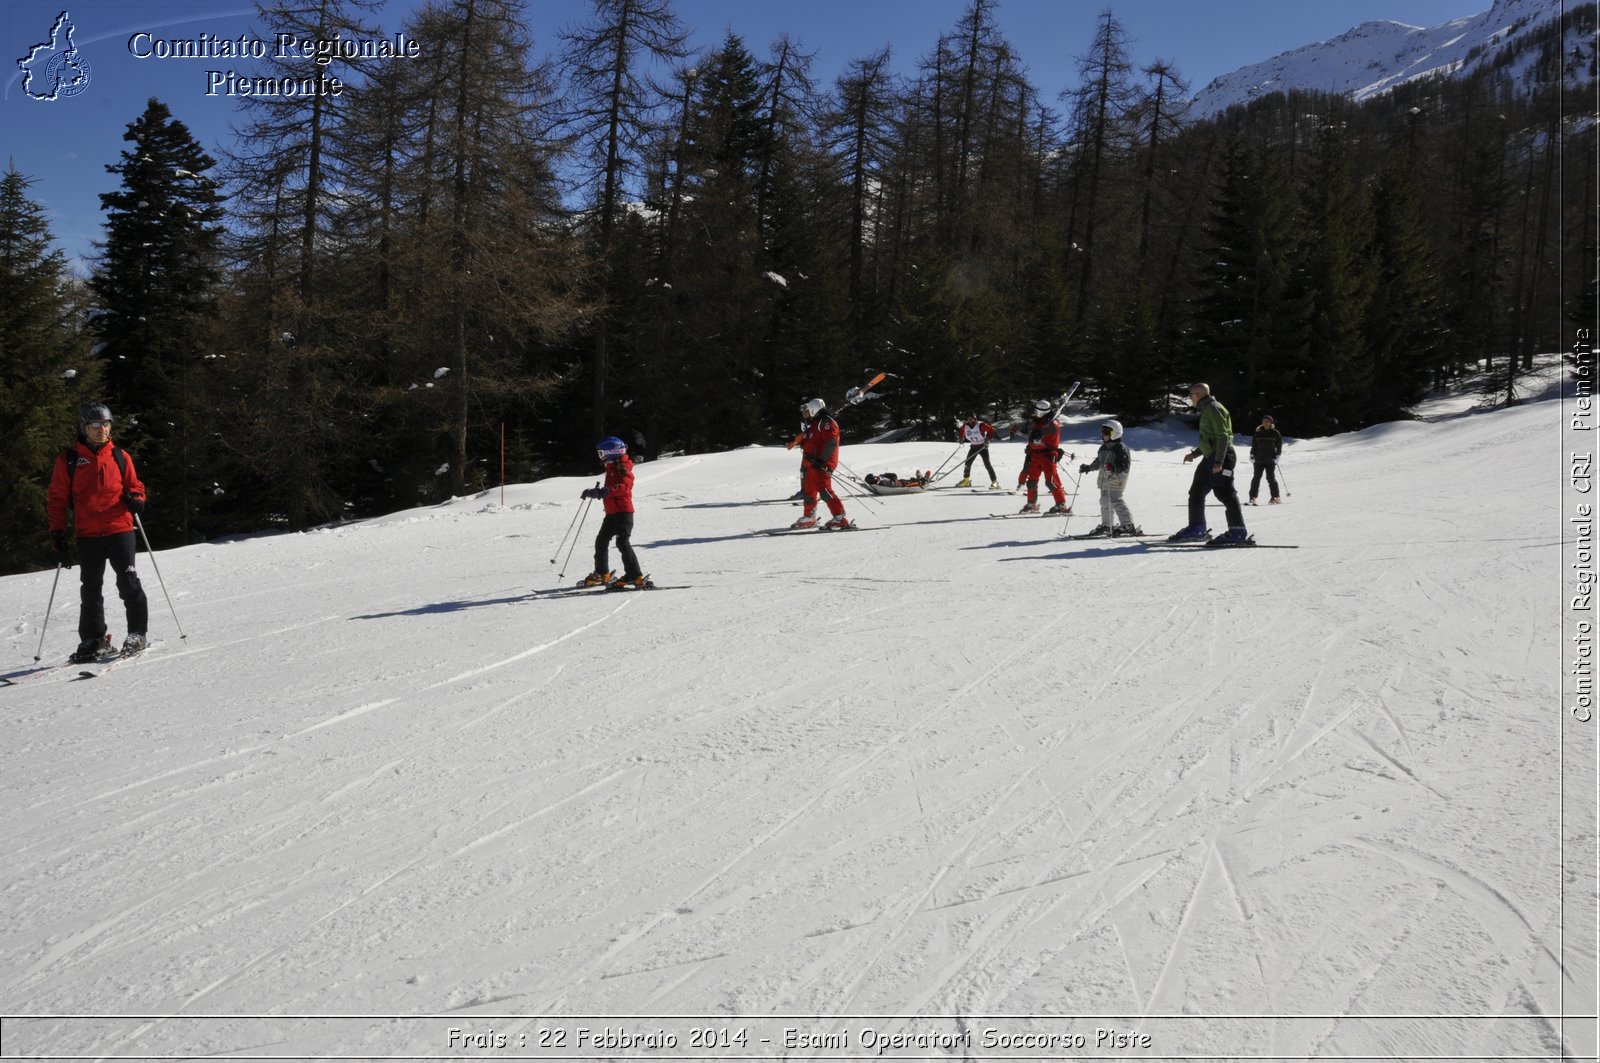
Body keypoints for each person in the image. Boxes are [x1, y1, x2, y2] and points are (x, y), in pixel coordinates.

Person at [47, 402, 150, 662]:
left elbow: (135, 486)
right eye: (96, 425)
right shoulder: (69, 459)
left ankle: (137, 633)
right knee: (90, 589)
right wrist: (57, 534)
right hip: (88, 534)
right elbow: (57, 499)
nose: (102, 430)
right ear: (84, 427)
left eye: (106, 424)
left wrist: (137, 499)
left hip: (119, 529)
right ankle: (93, 639)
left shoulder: (119, 456)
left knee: (128, 582)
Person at [1170, 383, 1249, 544]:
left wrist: (1219, 462)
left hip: (1222, 457)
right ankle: (1197, 529)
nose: (1189, 397)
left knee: (1225, 492)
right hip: (1210, 456)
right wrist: (1195, 454)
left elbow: (1223, 437)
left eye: (1191, 394)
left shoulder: (1214, 408)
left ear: (1198, 394)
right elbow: (1210, 439)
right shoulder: (1207, 409)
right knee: (1196, 492)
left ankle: (1237, 531)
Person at [579, 436, 646, 589]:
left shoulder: (624, 467)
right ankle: (602, 573)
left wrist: (606, 491)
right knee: (601, 541)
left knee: (622, 542)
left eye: (602, 452)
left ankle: (635, 575)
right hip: (611, 513)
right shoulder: (610, 467)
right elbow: (608, 490)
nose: (600, 456)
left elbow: (624, 487)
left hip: (623, 512)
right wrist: (595, 492)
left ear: (612, 452)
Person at [794, 398, 850, 529]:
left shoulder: (827, 422)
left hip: (822, 462)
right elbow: (811, 440)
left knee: (824, 490)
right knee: (809, 490)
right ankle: (809, 517)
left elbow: (831, 442)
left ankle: (840, 517)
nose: (805, 413)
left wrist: (821, 460)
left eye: (807, 410)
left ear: (814, 408)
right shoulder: (815, 423)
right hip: (812, 463)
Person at [1078, 420, 1142, 537]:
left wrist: (1113, 468)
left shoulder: (1121, 448)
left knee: (1116, 501)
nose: (1104, 435)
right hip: (1104, 479)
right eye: (1103, 432)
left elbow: (1124, 465)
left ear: (1115, 433)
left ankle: (1128, 525)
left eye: (1106, 432)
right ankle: (1107, 525)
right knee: (1104, 502)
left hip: (1116, 479)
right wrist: (1088, 468)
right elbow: (1098, 462)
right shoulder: (1103, 447)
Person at [1017, 398, 1069, 514]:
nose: (1035, 413)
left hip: (1048, 456)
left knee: (1051, 481)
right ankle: (1032, 504)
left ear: (1042, 412)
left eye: (1036, 411)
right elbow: (1035, 439)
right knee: (1031, 481)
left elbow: (1051, 429)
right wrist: (1030, 447)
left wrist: (1041, 432)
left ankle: (1061, 505)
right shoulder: (1038, 422)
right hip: (1035, 456)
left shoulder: (1053, 423)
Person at [955, 413, 1000, 489]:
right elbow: (962, 430)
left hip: (982, 447)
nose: (970, 420)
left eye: (971, 418)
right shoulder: (966, 426)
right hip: (973, 447)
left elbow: (992, 430)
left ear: (975, 419)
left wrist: (988, 439)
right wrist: (961, 438)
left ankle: (995, 482)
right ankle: (966, 480)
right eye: (969, 419)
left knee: (987, 465)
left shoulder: (981, 425)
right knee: (967, 463)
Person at [1249, 414, 1283, 504]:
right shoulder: (1258, 433)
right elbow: (1254, 445)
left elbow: (1279, 446)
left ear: (1271, 422)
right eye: (1264, 421)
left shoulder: (1275, 433)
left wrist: (1278, 455)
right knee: (1256, 478)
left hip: (1270, 459)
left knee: (1270, 478)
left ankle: (1275, 497)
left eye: (1267, 421)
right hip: (1258, 459)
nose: (1265, 423)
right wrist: (1252, 454)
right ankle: (1252, 497)